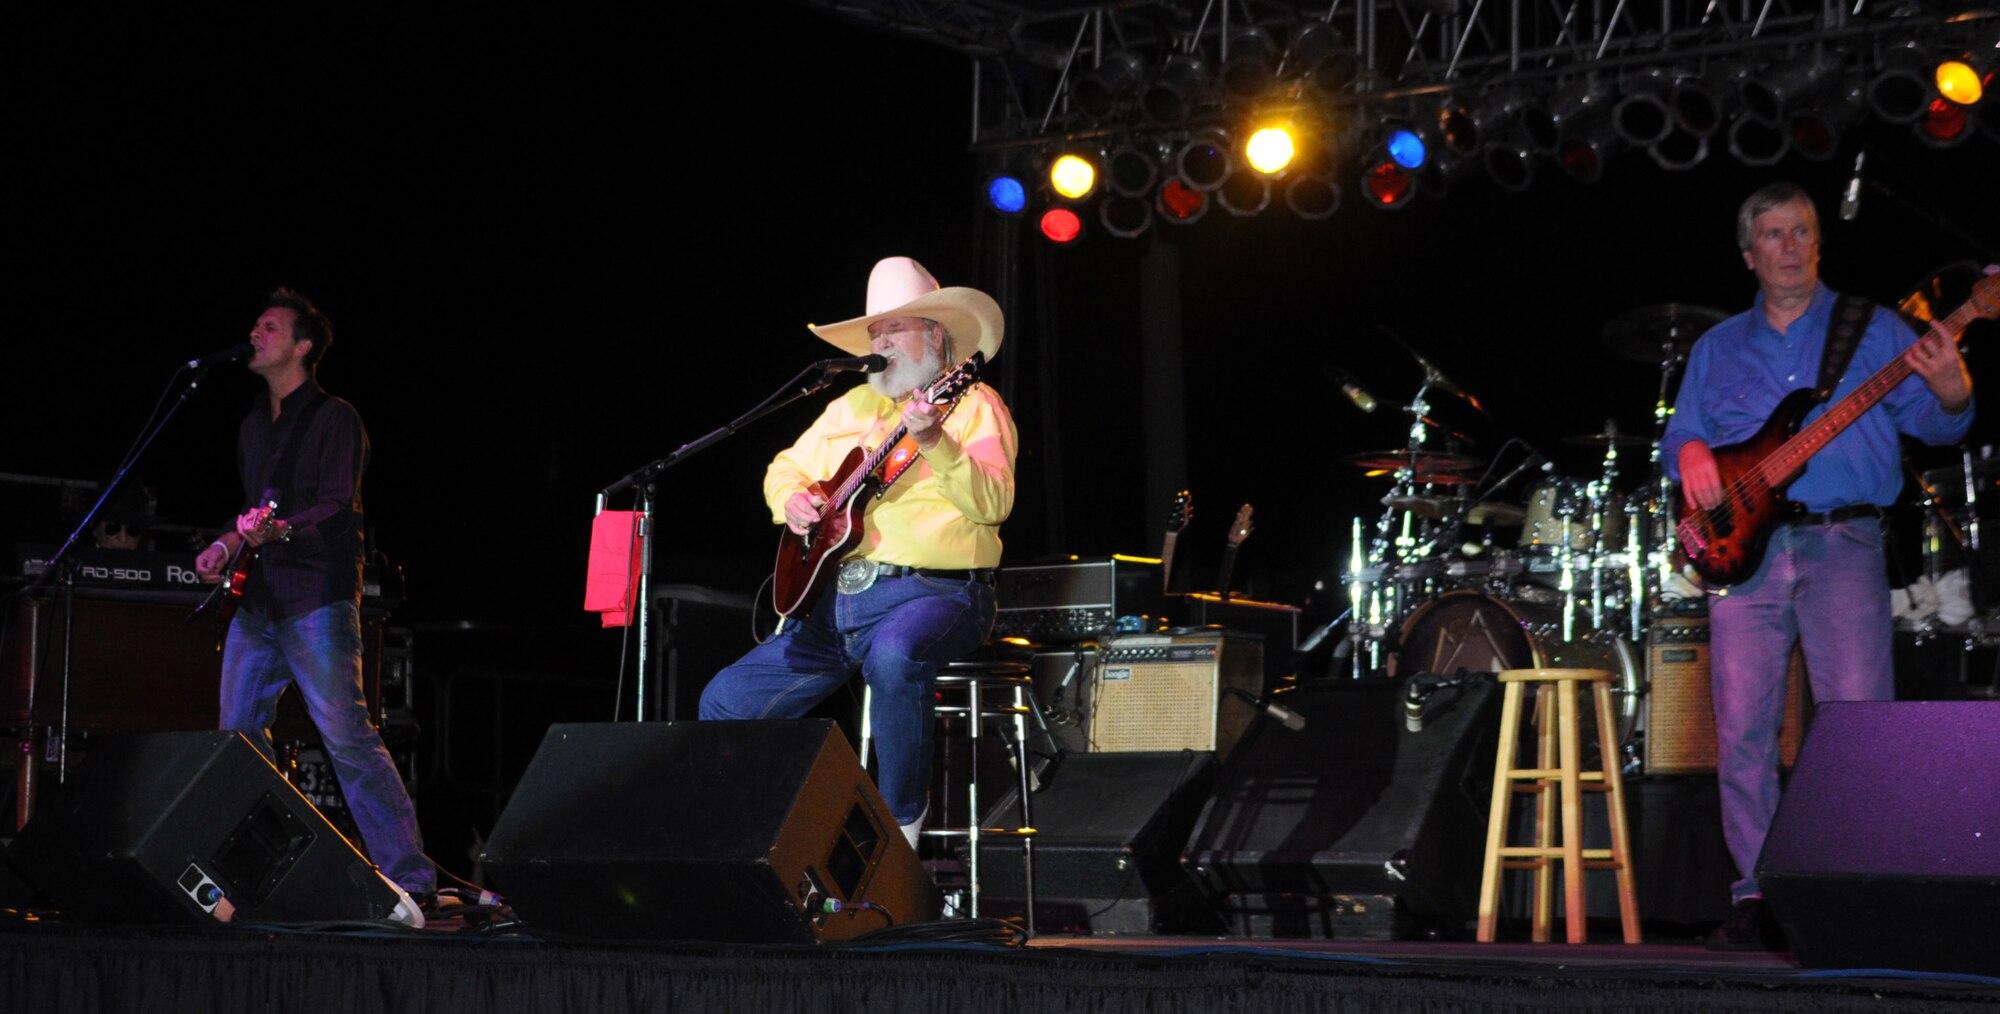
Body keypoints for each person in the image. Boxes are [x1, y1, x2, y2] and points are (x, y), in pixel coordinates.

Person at [1662, 182, 1973, 950]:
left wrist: (1950, 382)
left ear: (1818, 241)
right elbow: (1680, 440)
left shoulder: (1872, 330)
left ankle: (1861, 890)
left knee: (1859, 727)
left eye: (1801, 230)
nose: (1790, 245)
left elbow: (1944, 423)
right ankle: (1757, 897)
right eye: (1773, 234)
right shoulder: (1717, 347)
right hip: (1748, 557)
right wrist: (1693, 450)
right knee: (1741, 731)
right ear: (1748, 254)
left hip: (1845, 544)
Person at [699, 256, 1016, 848]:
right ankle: (773, 842)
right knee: (725, 700)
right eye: (875, 331)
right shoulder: (849, 409)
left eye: (894, 328)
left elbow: (993, 503)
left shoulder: (974, 407)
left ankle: (901, 834)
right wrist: (791, 499)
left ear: (936, 335)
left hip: (939, 592)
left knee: (895, 656)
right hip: (838, 602)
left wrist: (935, 443)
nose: (881, 341)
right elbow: (784, 468)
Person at [193, 288, 434, 904]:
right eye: (254, 325)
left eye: (268, 326)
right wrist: (226, 545)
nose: (255, 334)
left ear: (302, 347)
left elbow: (333, 509)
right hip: (259, 601)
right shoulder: (252, 425)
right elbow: (255, 509)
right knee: (236, 740)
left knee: (346, 736)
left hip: (314, 598)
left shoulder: (335, 418)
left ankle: (410, 879)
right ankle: (256, 875)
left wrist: (279, 530)